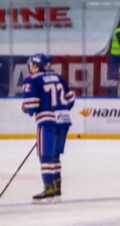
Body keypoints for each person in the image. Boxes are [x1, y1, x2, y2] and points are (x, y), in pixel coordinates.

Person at [16, 53, 79, 203]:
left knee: (45, 157)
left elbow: (31, 106)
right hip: (63, 121)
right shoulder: (57, 77)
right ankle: (57, 190)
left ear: (36, 65)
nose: (30, 67)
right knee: (55, 156)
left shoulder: (31, 79)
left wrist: (26, 108)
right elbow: (70, 100)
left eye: (31, 64)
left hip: (47, 121)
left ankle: (48, 190)